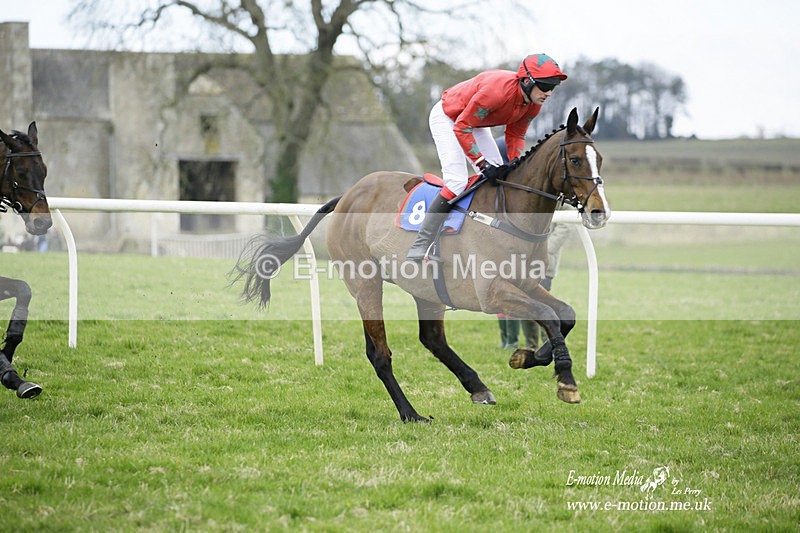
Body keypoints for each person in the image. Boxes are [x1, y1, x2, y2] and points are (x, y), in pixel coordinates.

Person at [407, 53, 568, 262]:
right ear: (527, 81)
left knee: (501, 178)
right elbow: (462, 127)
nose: (549, 93)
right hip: (449, 118)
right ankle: (422, 244)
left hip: (476, 124)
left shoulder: (534, 103)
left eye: (553, 87)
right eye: (546, 86)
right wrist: (482, 163)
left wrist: (514, 163)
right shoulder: (497, 93)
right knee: (457, 181)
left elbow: (515, 135)